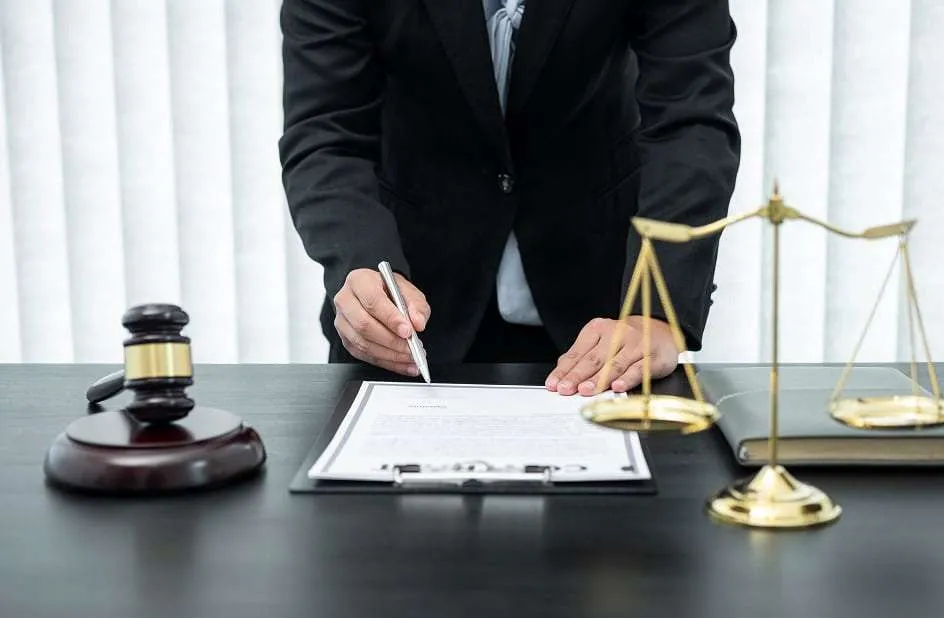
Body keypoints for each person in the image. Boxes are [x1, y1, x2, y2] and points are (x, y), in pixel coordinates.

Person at [278, 0, 740, 396]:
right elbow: (326, 133)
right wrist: (362, 262)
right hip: (410, 304)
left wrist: (656, 309)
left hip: (604, 313)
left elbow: (690, 123)